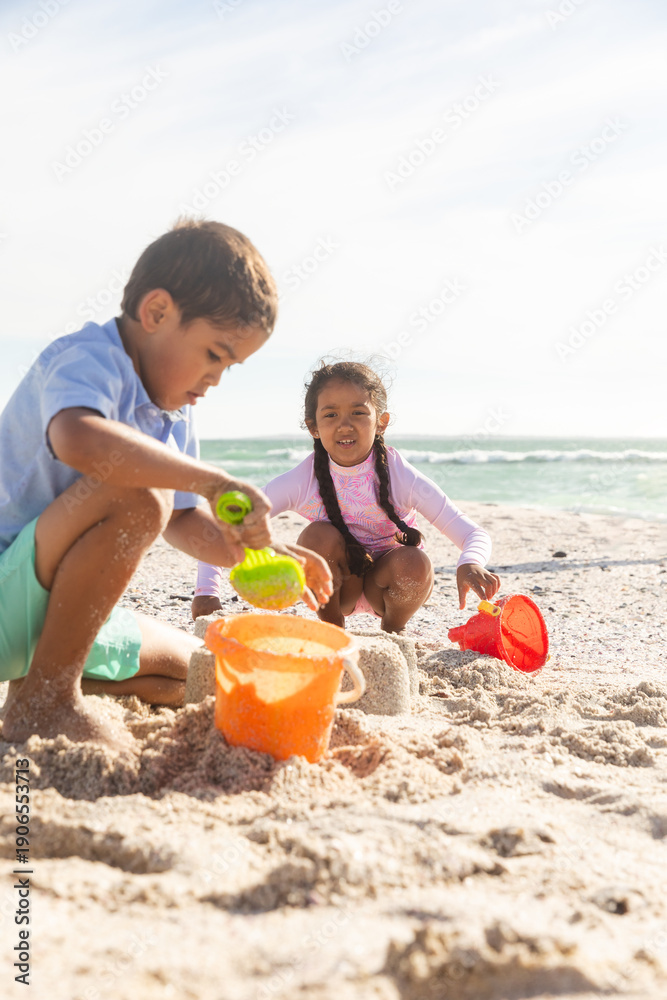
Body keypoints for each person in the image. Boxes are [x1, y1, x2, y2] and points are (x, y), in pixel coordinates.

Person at [0, 220, 331, 751]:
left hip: (56, 611)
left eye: (231, 366)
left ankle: (50, 675)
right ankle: (43, 700)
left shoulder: (172, 411)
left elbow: (178, 520)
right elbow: (77, 439)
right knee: (139, 495)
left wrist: (258, 550)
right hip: (6, 592)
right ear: (156, 313)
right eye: (214, 354)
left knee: (191, 673)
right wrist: (210, 480)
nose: (215, 379)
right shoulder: (89, 358)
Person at [193, 360, 500, 632]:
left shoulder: (402, 477)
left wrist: (470, 563)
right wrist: (207, 591)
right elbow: (229, 523)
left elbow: (472, 532)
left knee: (416, 561)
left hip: (390, 588)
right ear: (313, 427)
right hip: (337, 589)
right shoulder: (303, 479)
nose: (344, 424)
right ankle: (332, 630)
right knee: (317, 535)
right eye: (330, 414)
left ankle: (393, 631)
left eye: (358, 411)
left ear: (381, 422)